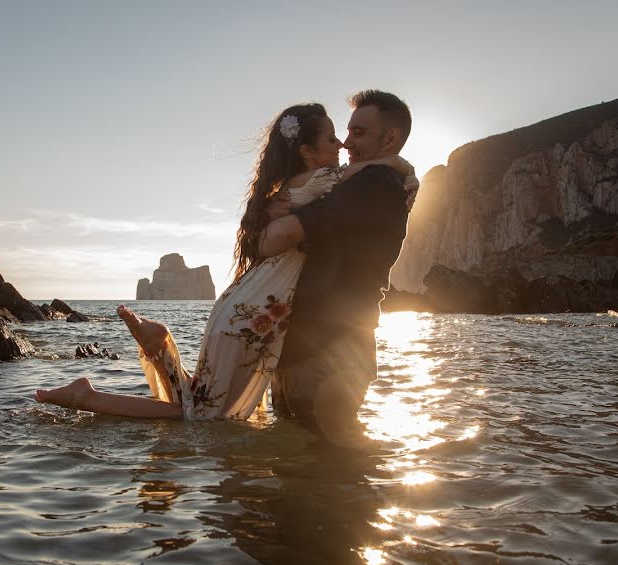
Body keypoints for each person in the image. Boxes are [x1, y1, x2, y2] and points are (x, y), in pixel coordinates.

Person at [35, 101, 415, 421]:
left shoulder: (287, 191)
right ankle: (90, 396)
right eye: (334, 137)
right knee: (205, 416)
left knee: (202, 406)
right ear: (306, 151)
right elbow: (356, 175)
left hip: (246, 303)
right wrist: (402, 167)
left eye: (353, 134)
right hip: (258, 313)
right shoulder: (330, 180)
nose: (343, 144)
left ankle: (158, 350)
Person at [260, 90, 413, 447]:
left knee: (327, 469)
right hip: (312, 350)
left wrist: (267, 221)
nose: (346, 143)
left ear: (390, 138)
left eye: (358, 133)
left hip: (330, 354)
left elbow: (277, 237)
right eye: (345, 133)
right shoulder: (370, 179)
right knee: (304, 470)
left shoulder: (373, 184)